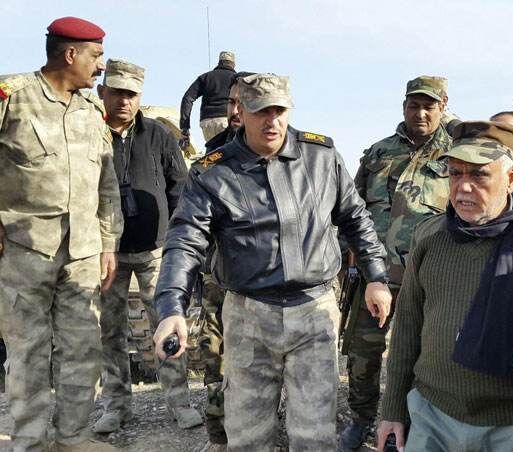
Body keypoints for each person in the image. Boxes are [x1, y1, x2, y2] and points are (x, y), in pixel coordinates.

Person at [152, 73, 392, 451]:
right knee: (248, 435)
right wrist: (171, 308)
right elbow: (184, 241)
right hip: (249, 316)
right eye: (261, 111)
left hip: (314, 312)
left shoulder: (321, 157)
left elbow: (356, 219)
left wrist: (375, 275)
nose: (272, 121)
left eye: (279, 110)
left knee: (314, 436)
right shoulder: (212, 172)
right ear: (241, 112)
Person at [376, 121, 513, 452]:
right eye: (455, 173)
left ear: (511, 177)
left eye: (479, 175)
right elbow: (408, 324)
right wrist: (393, 409)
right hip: (431, 418)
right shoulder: (429, 235)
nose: (463, 187)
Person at [0, 17, 123, 452]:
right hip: (24, 248)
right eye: (96, 56)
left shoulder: (92, 111)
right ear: (70, 54)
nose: (101, 66)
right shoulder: (13, 97)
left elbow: (107, 184)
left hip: (84, 251)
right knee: (28, 352)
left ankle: (73, 437)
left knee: (83, 348)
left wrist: (108, 243)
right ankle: (30, 443)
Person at [340, 75, 452, 451]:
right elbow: (350, 210)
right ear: (404, 106)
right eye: (413, 105)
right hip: (375, 277)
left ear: (443, 107)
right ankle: (361, 418)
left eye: (429, 106)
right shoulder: (378, 152)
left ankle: (406, 423)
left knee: (420, 356)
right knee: (363, 353)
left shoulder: (456, 156)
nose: (420, 113)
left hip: (427, 279)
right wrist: (347, 260)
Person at [92, 59, 198, 434]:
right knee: (110, 331)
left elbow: (180, 188)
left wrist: (178, 242)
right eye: (117, 92)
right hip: (107, 252)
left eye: (132, 94)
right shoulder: (90, 133)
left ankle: (179, 402)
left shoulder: (158, 135)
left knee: (168, 326)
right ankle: (116, 407)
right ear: (102, 92)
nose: (124, 100)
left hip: (156, 249)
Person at [198, 70, 254, 452]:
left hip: (259, 283)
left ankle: (258, 430)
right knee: (213, 356)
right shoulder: (212, 156)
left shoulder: (284, 155)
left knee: (255, 363)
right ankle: (219, 436)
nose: (234, 111)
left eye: (241, 103)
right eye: (231, 102)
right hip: (217, 276)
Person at [179, 51, 237, 144]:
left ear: (219, 62)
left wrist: (185, 127)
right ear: (233, 64)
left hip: (207, 123)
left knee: (213, 151)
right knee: (231, 150)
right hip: (227, 120)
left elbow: (187, 98)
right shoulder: (237, 79)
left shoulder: (205, 77)